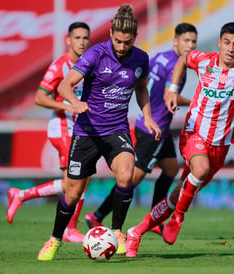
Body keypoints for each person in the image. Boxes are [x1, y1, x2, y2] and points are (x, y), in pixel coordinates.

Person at [125, 22, 234, 257]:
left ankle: (136, 232)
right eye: (227, 43)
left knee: (177, 194)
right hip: (195, 133)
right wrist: (171, 88)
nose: (231, 49)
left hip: (220, 146)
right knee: (199, 170)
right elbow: (183, 59)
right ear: (220, 43)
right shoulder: (204, 60)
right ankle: (178, 219)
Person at [37, 4, 161, 261]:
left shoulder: (141, 58)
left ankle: (116, 232)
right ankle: (54, 239)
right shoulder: (96, 54)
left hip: (116, 129)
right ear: (111, 34)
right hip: (87, 131)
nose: (122, 47)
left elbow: (140, 88)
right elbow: (64, 85)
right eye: (117, 40)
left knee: (126, 175)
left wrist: (147, 116)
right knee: (72, 194)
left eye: (127, 42)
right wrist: (75, 103)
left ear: (134, 38)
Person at [83, 23, 198, 235]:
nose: (190, 45)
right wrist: (196, 102)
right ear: (176, 41)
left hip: (148, 123)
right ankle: (97, 216)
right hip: (154, 128)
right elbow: (168, 97)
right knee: (131, 178)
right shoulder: (177, 66)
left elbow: (143, 83)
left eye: (193, 41)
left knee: (171, 168)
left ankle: (155, 218)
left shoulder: (159, 58)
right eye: (186, 40)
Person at [6, 22, 91, 243]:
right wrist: (68, 106)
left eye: (85, 38)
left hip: (80, 130)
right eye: (78, 38)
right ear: (68, 40)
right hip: (63, 128)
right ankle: (69, 229)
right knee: (77, 180)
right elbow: (40, 98)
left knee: (78, 180)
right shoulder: (60, 66)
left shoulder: (88, 63)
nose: (82, 42)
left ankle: (22, 195)